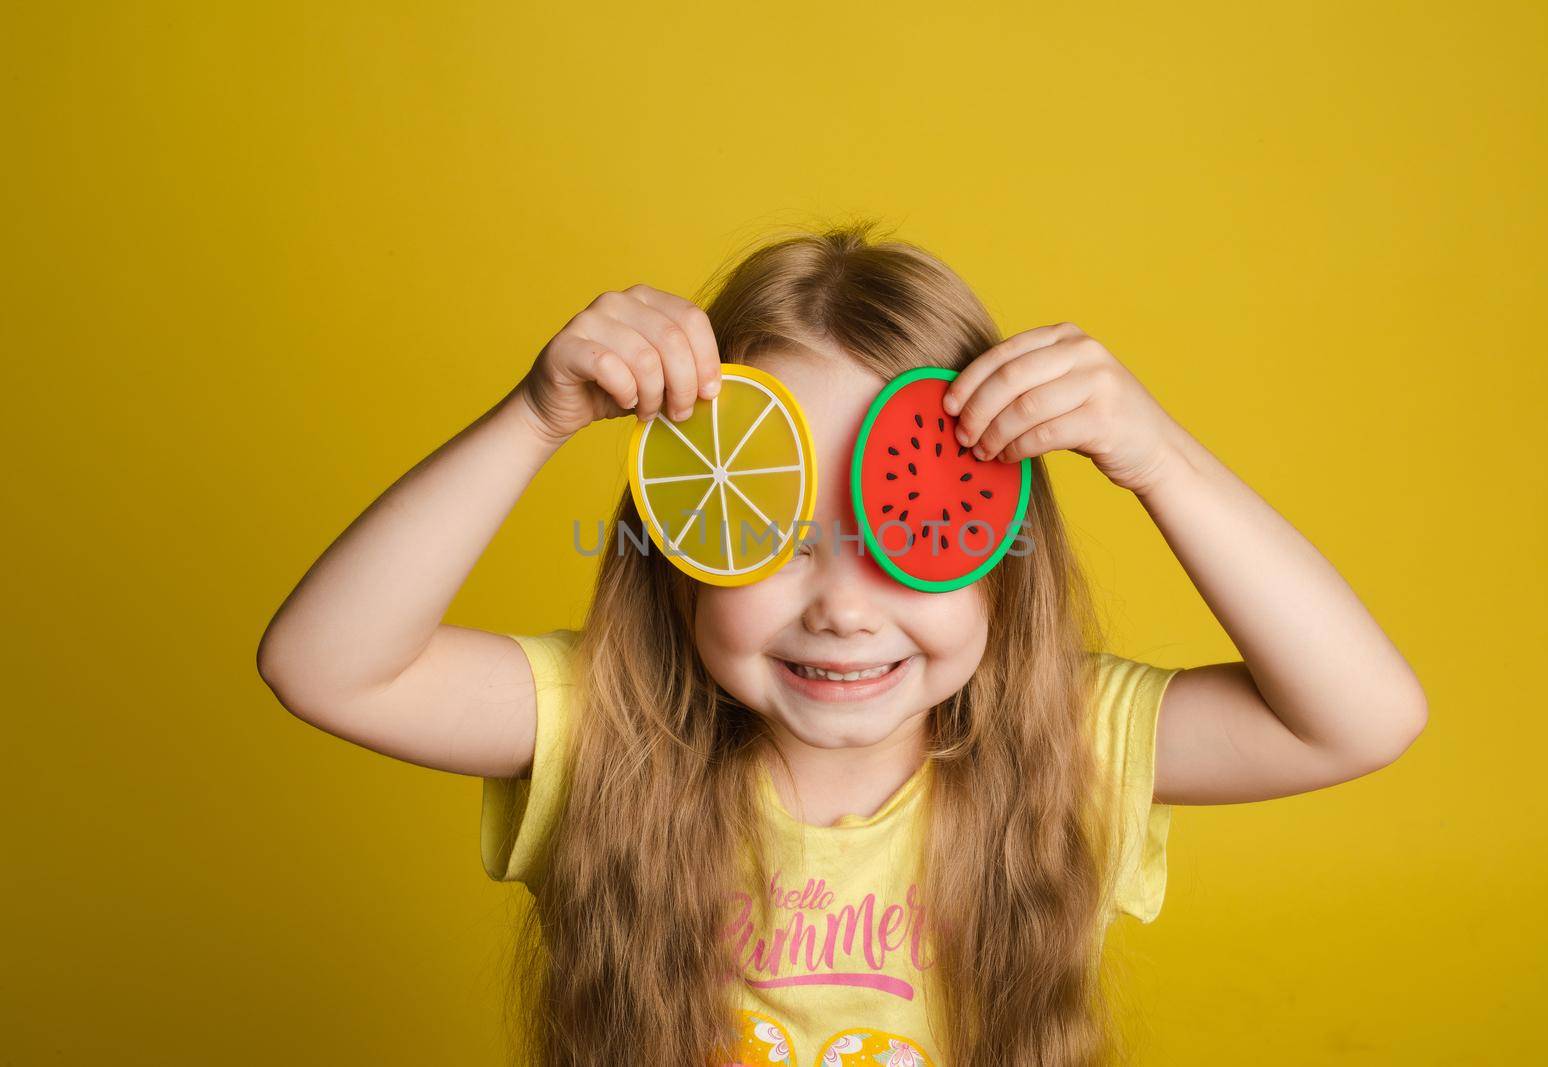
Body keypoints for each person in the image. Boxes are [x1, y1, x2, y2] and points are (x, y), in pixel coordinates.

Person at [257, 221, 1428, 1066]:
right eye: (773, 536)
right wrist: (538, 415)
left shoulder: (1062, 746)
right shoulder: (601, 732)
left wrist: (1157, 456)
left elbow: (1361, 715)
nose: (841, 606)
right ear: (677, 546)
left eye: (912, 528)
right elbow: (322, 663)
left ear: (1000, 550)